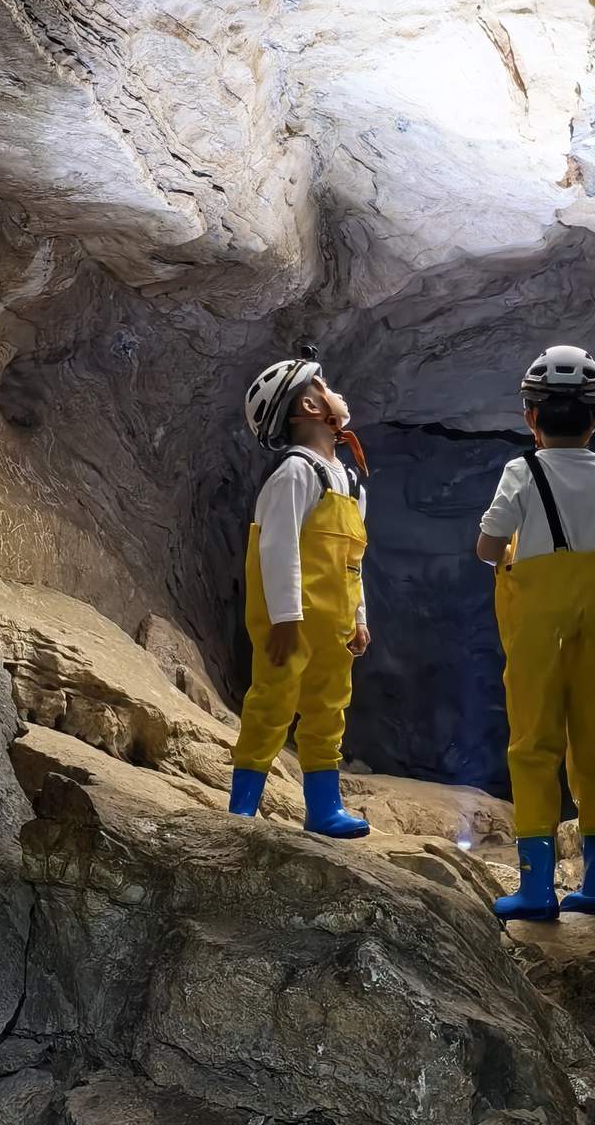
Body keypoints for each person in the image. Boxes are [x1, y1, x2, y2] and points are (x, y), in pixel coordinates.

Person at [477, 346, 595, 921]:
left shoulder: (522, 472)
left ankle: (537, 889)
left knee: (533, 745)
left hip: (539, 626)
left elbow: (488, 548)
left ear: (530, 416)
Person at [229, 351, 372, 837]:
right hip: (290, 622)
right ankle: (243, 807)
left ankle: (324, 808)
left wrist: (359, 615)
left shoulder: (349, 480)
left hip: (332, 623)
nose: (334, 391)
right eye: (324, 385)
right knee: (271, 703)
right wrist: (285, 617)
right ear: (310, 408)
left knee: (328, 710)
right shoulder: (295, 473)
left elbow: (352, 560)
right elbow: (277, 547)